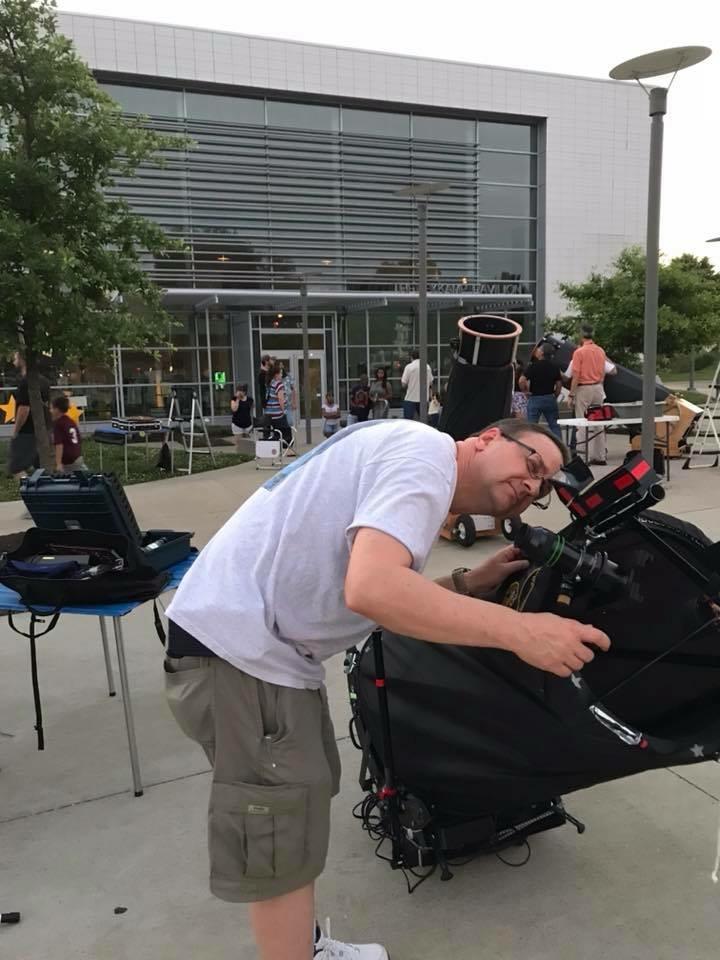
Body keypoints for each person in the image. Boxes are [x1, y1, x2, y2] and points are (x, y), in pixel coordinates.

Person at [164, 417, 610, 960]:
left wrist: (469, 583)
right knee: (279, 836)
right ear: (488, 438)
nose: (531, 486)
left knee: (296, 814)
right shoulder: (426, 457)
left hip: (253, 653)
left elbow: (378, 592)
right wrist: (523, 632)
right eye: (532, 464)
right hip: (242, 656)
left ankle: (304, 946)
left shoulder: (408, 451)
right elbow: (374, 589)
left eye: (541, 488)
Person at [567, 328, 617, 465]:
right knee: (598, 423)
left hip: (584, 388)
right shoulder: (600, 351)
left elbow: (576, 375)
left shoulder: (579, 352)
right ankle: (600, 456)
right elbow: (608, 370)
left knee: (581, 423)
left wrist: (571, 394)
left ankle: (583, 457)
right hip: (598, 388)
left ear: (581, 337)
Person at [8, 351, 51, 478]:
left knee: (16, 467)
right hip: (42, 429)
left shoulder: (26, 382)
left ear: (22, 359)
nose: (13, 360)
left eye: (15, 356)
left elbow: (24, 409)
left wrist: (16, 431)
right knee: (41, 467)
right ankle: (41, 487)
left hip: (26, 431)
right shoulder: (44, 381)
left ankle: (27, 486)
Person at [523, 342, 563, 439]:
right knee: (554, 425)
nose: (537, 350)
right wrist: (555, 396)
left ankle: (531, 445)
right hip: (549, 397)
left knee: (532, 426)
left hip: (535, 398)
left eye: (539, 349)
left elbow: (521, 380)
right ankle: (559, 445)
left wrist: (525, 391)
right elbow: (559, 385)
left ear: (542, 353)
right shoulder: (554, 367)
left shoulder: (533, 366)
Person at [51, 396, 87, 473]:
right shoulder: (70, 421)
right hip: (77, 456)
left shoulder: (59, 424)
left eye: (52, 408)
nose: (50, 411)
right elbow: (79, 439)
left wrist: (58, 463)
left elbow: (59, 445)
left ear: (57, 410)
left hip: (69, 461)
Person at [264, 362, 294, 454]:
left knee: (277, 432)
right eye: (280, 373)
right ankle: (288, 450)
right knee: (287, 431)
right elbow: (281, 399)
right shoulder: (278, 384)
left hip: (269, 413)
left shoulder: (270, 383)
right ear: (276, 374)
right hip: (277, 413)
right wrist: (283, 410)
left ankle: (275, 450)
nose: (281, 375)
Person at [401, 350, 433, 420]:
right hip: (424, 399)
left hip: (410, 398)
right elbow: (431, 383)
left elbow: (403, 384)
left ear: (411, 357)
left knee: (408, 422)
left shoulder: (409, 367)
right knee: (424, 421)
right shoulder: (427, 367)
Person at [281, 363, 298, 428]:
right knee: (282, 422)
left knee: (290, 422)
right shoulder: (275, 378)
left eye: (282, 366)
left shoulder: (289, 376)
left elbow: (293, 390)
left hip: (288, 403)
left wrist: (294, 402)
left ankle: (288, 431)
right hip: (279, 404)